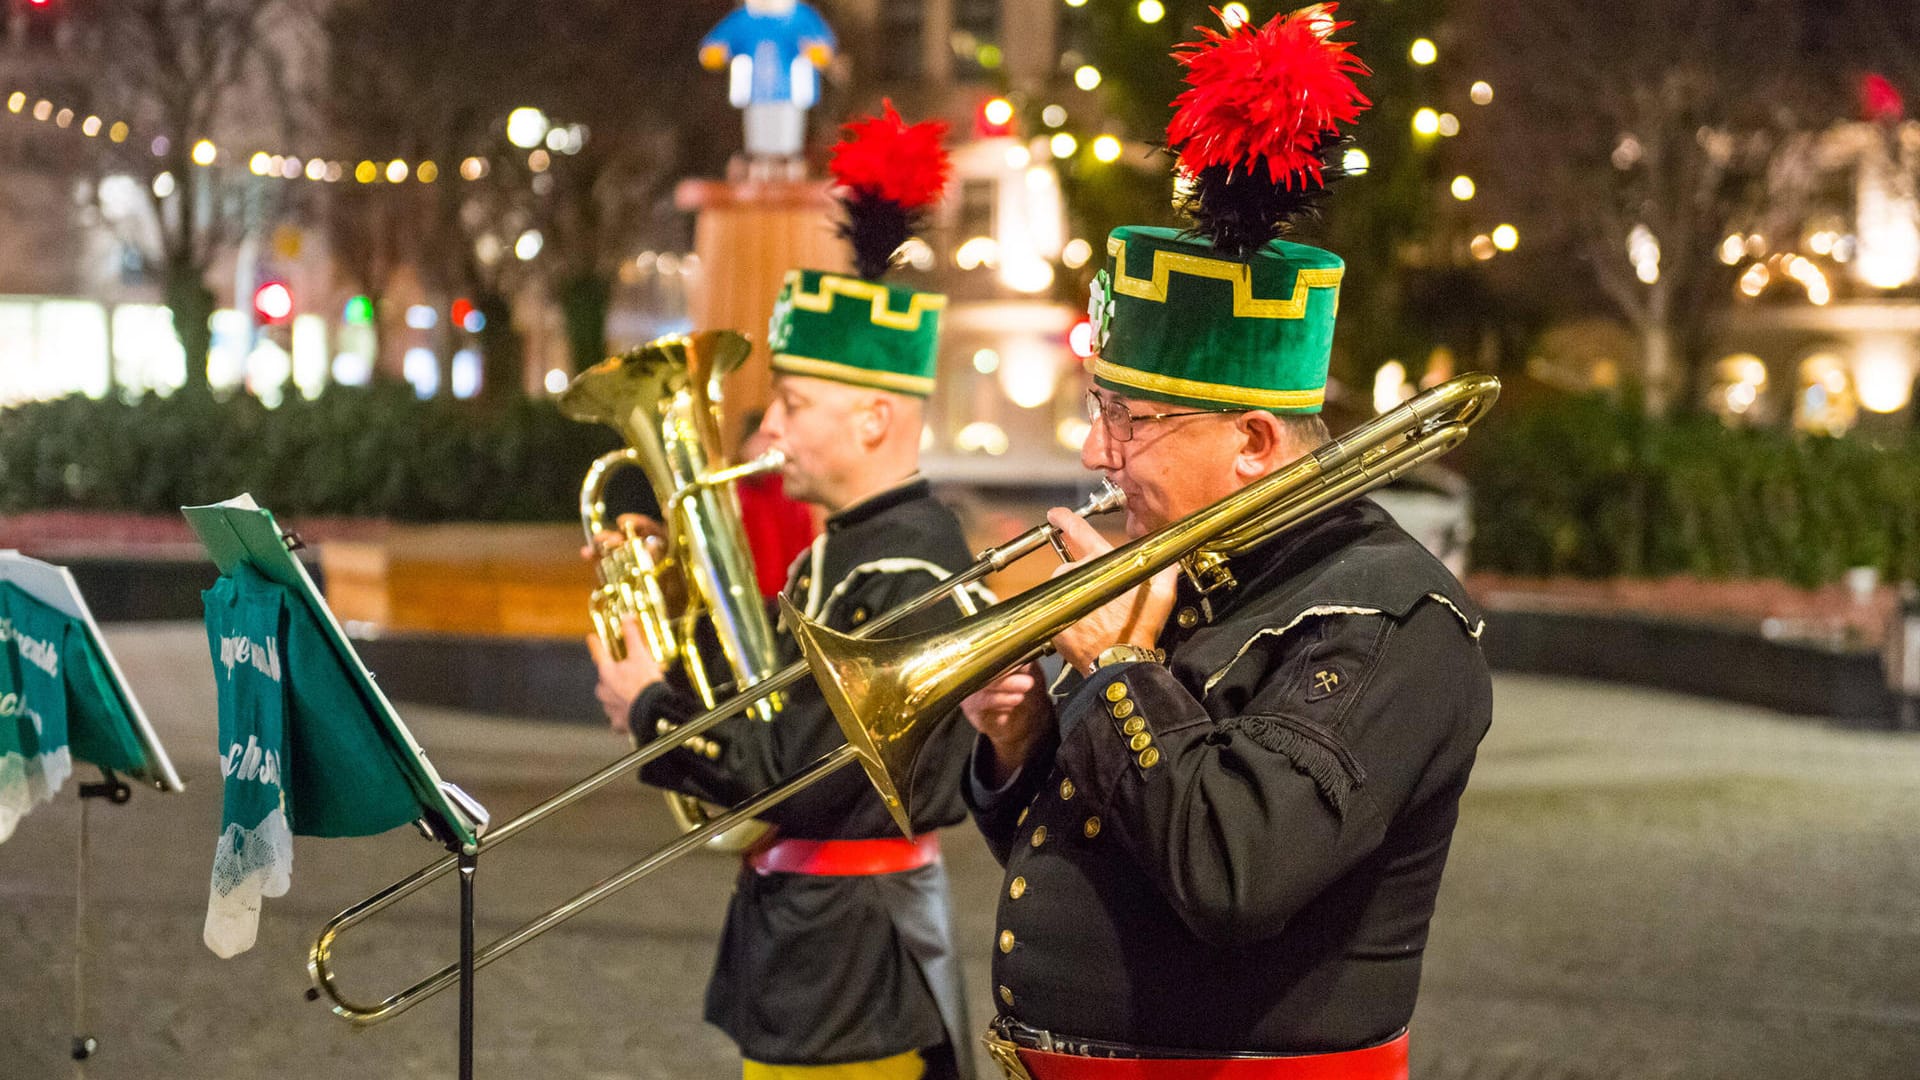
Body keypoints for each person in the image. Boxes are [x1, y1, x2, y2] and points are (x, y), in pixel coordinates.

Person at [958, 10, 1493, 1078]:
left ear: (1253, 441)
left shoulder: (1385, 614)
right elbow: (1105, 853)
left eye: (1132, 420)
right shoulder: (1189, 573)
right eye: (1098, 409)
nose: (1095, 450)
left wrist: (1114, 671)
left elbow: (1234, 868)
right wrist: (1018, 753)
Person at [590, 104, 975, 1080]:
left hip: (853, 969)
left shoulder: (905, 571)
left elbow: (788, 774)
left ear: (877, 418)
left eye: (794, 406)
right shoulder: (843, 552)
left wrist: (648, 705)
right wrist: (665, 607)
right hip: (813, 946)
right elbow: (756, 711)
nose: (768, 434)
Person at [734, 408, 820, 598]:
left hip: (786, 594)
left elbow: (805, 546)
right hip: (749, 594)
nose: (762, 450)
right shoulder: (738, 494)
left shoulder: (790, 494)